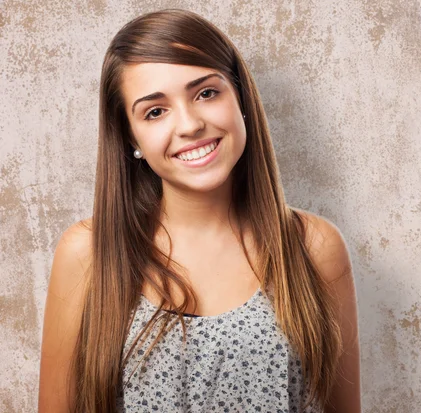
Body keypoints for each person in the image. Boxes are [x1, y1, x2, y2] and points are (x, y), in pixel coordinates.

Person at [38, 8, 361, 413]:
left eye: (206, 93)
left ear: (240, 97)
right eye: (155, 111)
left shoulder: (313, 247)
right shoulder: (88, 253)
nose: (190, 125)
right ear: (130, 136)